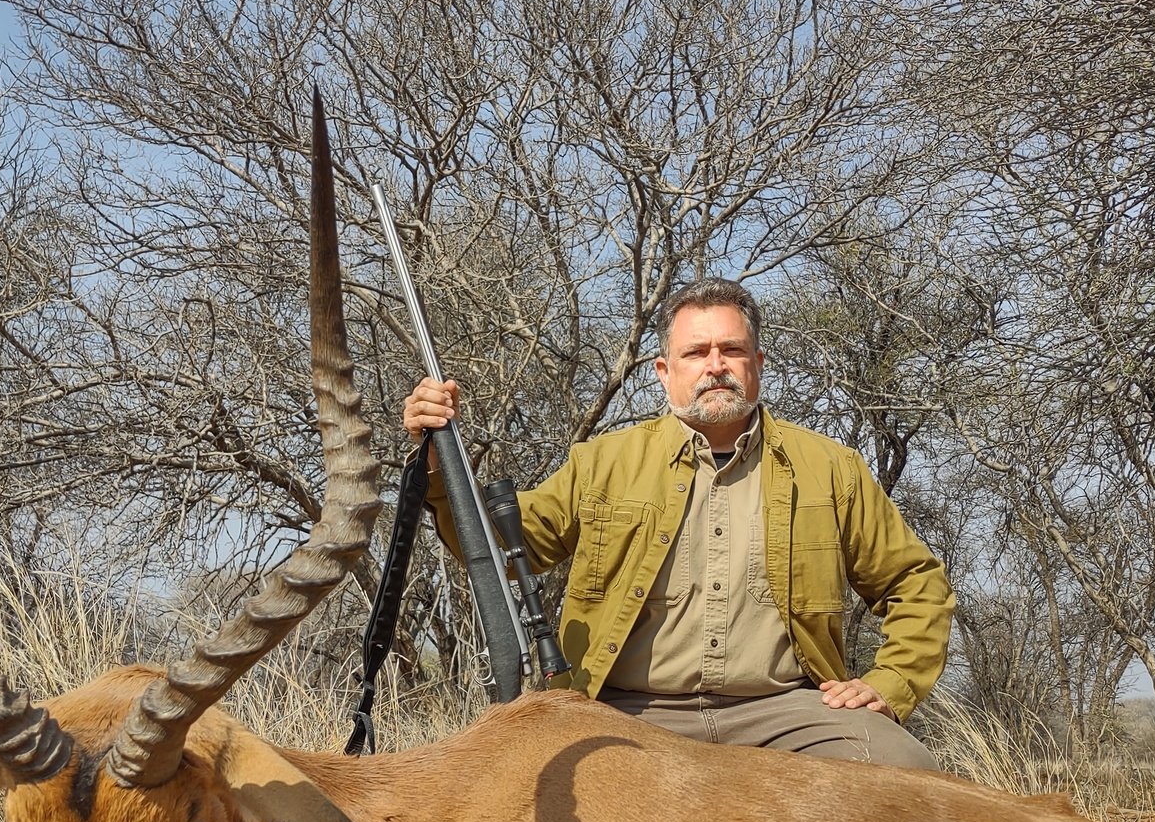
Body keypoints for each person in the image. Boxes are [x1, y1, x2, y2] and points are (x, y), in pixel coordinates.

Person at [402, 278, 954, 768]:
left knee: (907, 769)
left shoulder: (832, 469)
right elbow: (509, 544)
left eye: (731, 350)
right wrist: (436, 463)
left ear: (757, 365)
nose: (715, 365)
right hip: (623, 709)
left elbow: (916, 583)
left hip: (784, 710)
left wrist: (891, 683)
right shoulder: (602, 462)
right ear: (665, 372)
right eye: (696, 352)